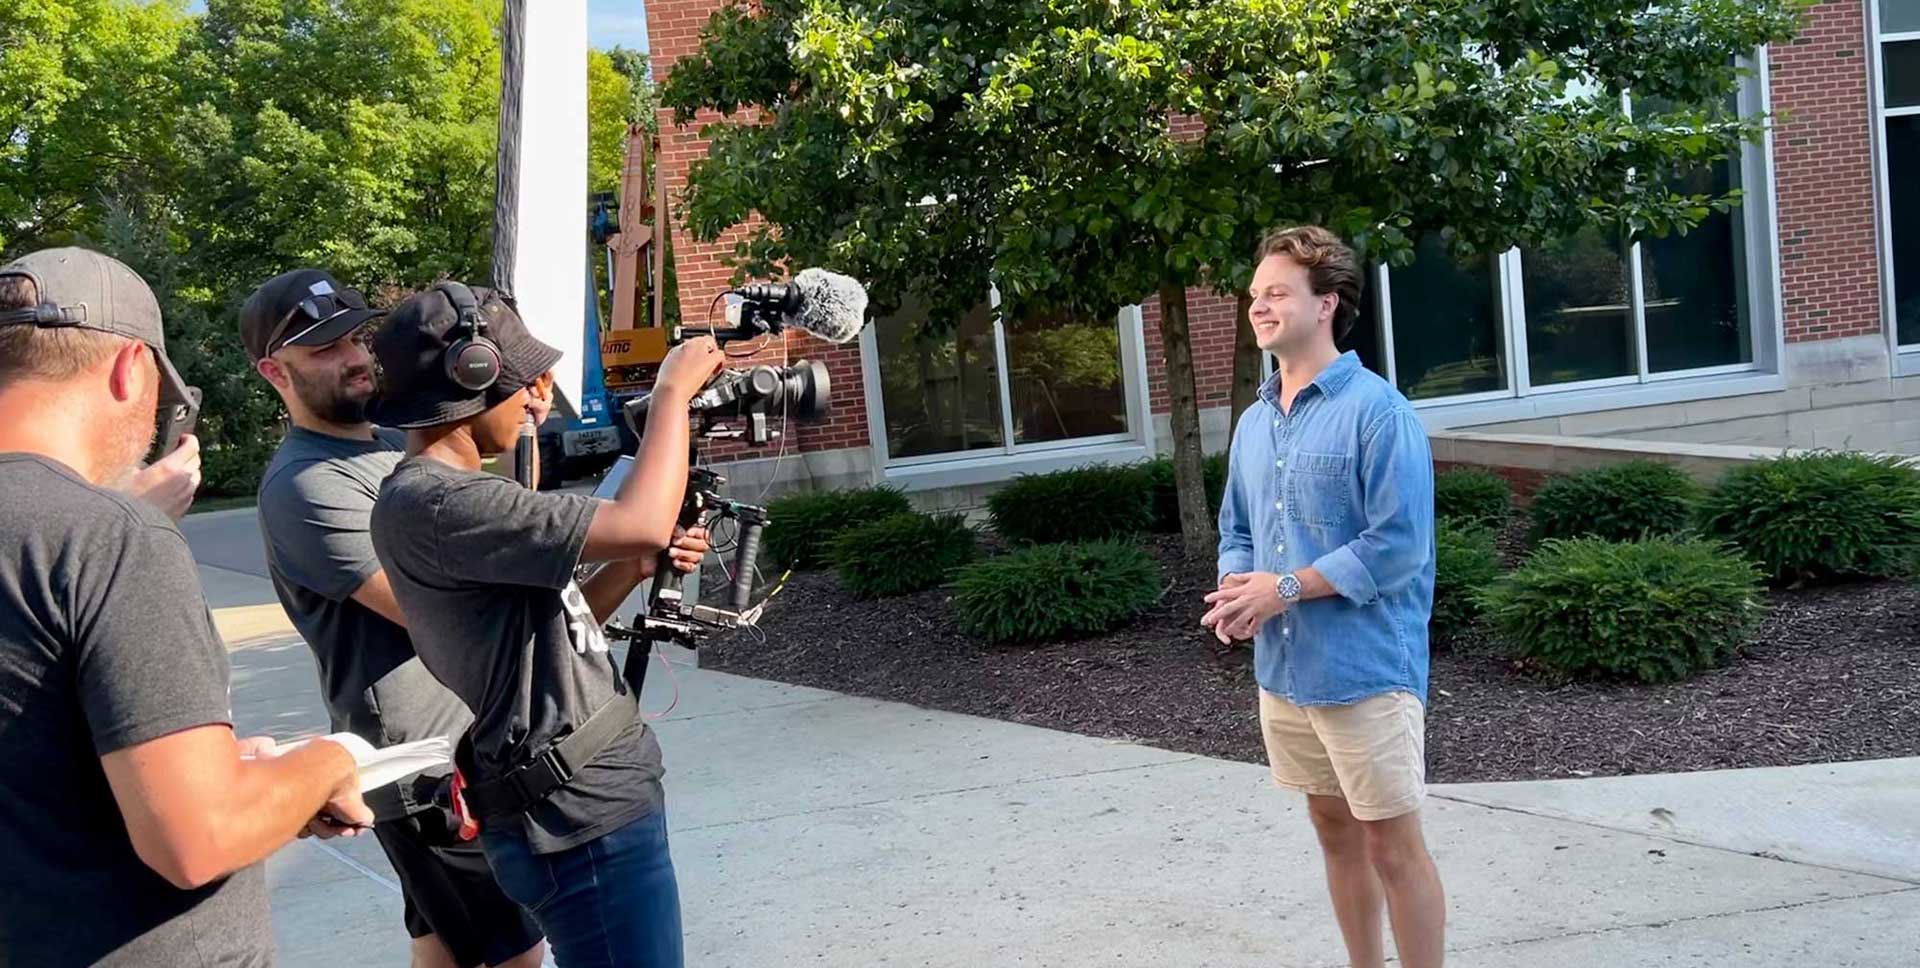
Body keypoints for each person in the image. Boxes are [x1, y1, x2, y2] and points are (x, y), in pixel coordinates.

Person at [0, 247, 373, 967]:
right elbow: (197, 837)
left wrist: (226, 770)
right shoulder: (109, 536)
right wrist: (325, 763)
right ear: (130, 368)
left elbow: (41, 769)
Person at [366, 282, 723, 968]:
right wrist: (672, 393)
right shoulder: (439, 502)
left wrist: (636, 566)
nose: (539, 396)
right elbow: (640, 519)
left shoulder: (446, 500)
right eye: (524, 380)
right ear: (469, 377)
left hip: (589, 807)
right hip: (582, 823)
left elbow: (561, 621)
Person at [242, 268, 547, 968]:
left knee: (441, 948)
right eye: (323, 349)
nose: (353, 357)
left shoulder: (389, 443)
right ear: (273, 372)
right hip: (426, 768)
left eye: (355, 336)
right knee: (515, 958)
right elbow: (438, 606)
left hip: (463, 745)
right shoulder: (307, 485)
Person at [1201, 226, 1446, 968]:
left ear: (1326, 304)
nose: (1259, 308)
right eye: (1254, 296)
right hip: (1287, 671)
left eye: (1277, 293)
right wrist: (1238, 592)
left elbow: (1398, 545)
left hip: (1366, 670)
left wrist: (1283, 589)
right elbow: (1237, 526)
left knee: (1391, 844)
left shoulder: (1380, 413)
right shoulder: (1253, 422)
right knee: (1331, 828)